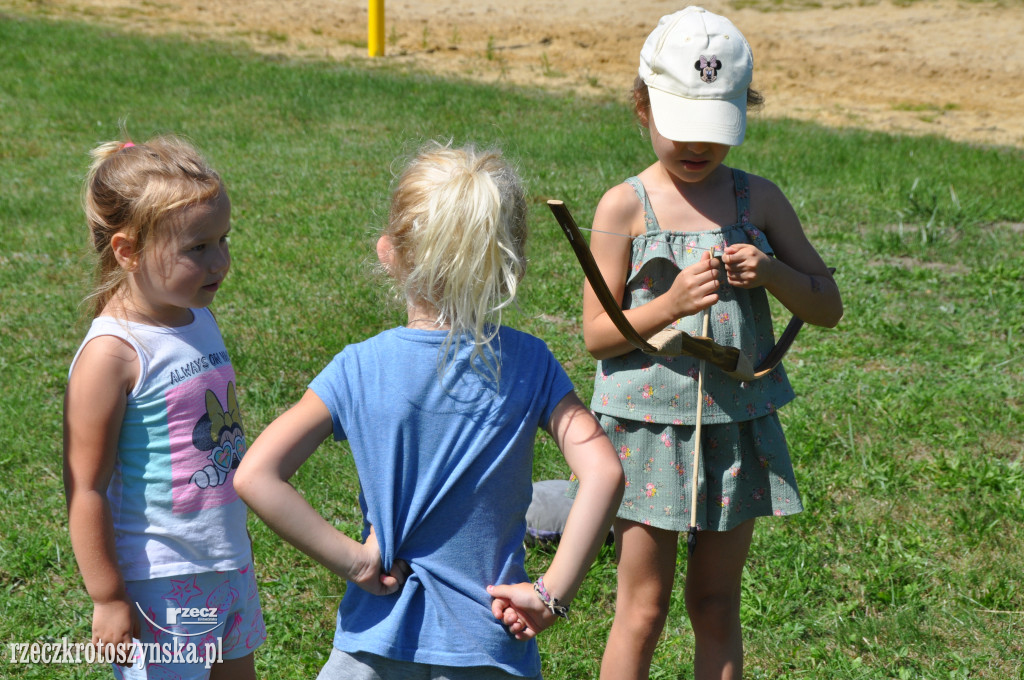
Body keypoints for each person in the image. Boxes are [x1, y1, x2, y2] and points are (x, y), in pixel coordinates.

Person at [233, 141, 624, 680]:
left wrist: (355, 560)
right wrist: (551, 594)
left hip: (371, 646)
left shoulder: (357, 367)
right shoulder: (531, 363)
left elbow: (256, 475)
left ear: (389, 251)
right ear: (509, 259)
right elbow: (603, 471)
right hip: (488, 646)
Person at [578, 7, 844, 680]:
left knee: (718, 604)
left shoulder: (761, 201)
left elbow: (827, 306)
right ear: (641, 105)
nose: (696, 149)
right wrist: (668, 305)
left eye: (713, 133)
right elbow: (597, 337)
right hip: (646, 429)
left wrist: (775, 271)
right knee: (641, 608)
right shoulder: (624, 206)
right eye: (680, 130)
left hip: (734, 429)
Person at [63, 134, 264, 679]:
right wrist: (107, 596)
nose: (219, 260)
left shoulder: (196, 314)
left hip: (227, 561)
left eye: (223, 240)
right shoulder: (113, 355)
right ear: (127, 251)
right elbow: (86, 486)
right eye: (197, 248)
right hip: (162, 578)